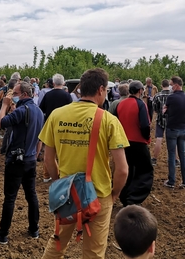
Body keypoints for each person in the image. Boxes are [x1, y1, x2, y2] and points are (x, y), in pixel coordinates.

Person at [39, 67, 129, 259]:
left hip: (67, 193)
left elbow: (48, 159)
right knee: (94, 252)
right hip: (99, 194)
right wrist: (114, 195)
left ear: (80, 88)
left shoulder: (56, 115)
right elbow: (122, 169)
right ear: (101, 90)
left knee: (57, 244)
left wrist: (59, 182)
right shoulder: (108, 120)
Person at [0, 81, 44, 245]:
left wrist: (3, 105)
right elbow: (40, 138)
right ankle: (34, 229)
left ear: (24, 94)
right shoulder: (38, 111)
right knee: (31, 195)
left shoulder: (21, 110)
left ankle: (3, 234)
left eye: (14, 93)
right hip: (30, 159)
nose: (12, 96)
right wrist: (35, 155)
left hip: (16, 160)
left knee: (10, 198)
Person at [116, 81, 153, 206]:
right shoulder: (140, 104)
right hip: (138, 142)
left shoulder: (121, 104)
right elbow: (145, 125)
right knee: (145, 171)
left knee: (129, 170)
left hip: (124, 142)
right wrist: (147, 137)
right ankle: (134, 198)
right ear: (140, 91)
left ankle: (124, 196)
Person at [163, 76, 185, 188]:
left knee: (172, 155)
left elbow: (164, 110)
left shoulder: (171, 98)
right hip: (183, 129)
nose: (170, 86)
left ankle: (171, 181)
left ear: (176, 85)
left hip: (172, 129)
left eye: (171, 84)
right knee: (183, 155)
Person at [151, 79, 171, 166]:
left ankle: (155, 159)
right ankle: (176, 159)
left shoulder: (157, 95)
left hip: (160, 119)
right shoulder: (173, 95)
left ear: (161, 85)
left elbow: (154, 109)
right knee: (172, 140)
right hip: (171, 120)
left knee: (159, 139)